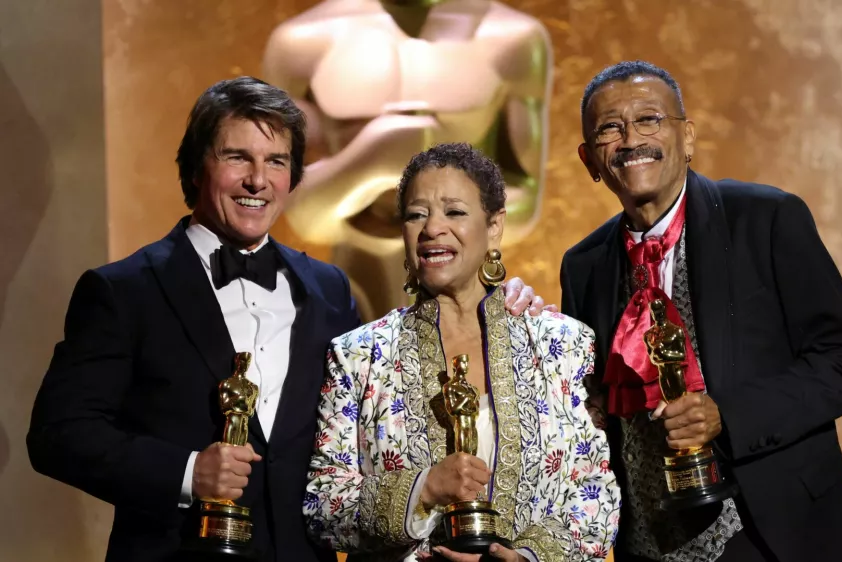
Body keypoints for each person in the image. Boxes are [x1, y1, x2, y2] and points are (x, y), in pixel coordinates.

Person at [25, 77, 548, 562]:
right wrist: (187, 473)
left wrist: (496, 306)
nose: (258, 179)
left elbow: (381, 415)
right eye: (237, 157)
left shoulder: (327, 288)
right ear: (194, 167)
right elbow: (59, 434)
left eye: (276, 161)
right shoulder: (124, 290)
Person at [560, 60, 842, 562]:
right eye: (609, 128)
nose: (630, 139)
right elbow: (594, 401)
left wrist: (726, 415)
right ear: (589, 160)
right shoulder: (582, 267)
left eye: (649, 120)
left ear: (688, 138)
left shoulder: (767, 219)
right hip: (649, 542)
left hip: (772, 533)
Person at [304, 143, 620, 562]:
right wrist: (424, 489)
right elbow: (323, 508)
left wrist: (527, 557)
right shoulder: (357, 356)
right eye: (417, 214)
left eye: (454, 212)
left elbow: (595, 496)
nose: (432, 228)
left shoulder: (563, 345)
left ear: (494, 227)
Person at [262, 0, 552, 320]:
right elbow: (301, 212)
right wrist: (375, 158)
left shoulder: (513, 38)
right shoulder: (303, 42)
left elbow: (523, 202)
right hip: (356, 286)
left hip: (461, 294)